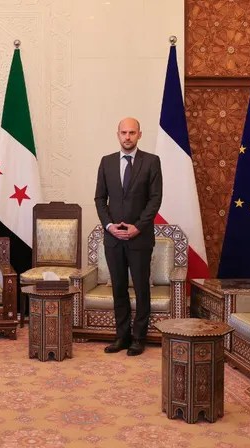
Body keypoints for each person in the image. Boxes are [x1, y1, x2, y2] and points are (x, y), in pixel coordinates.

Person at [94, 117, 163, 356]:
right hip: (113, 239)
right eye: (123, 132)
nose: (127, 137)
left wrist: (138, 227)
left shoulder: (151, 162)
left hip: (139, 238)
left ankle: (138, 338)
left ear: (139, 135)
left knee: (142, 288)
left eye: (132, 132)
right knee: (119, 288)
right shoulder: (107, 162)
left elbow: (155, 199)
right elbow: (99, 199)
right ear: (118, 134)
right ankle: (121, 336)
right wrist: (109, 226)